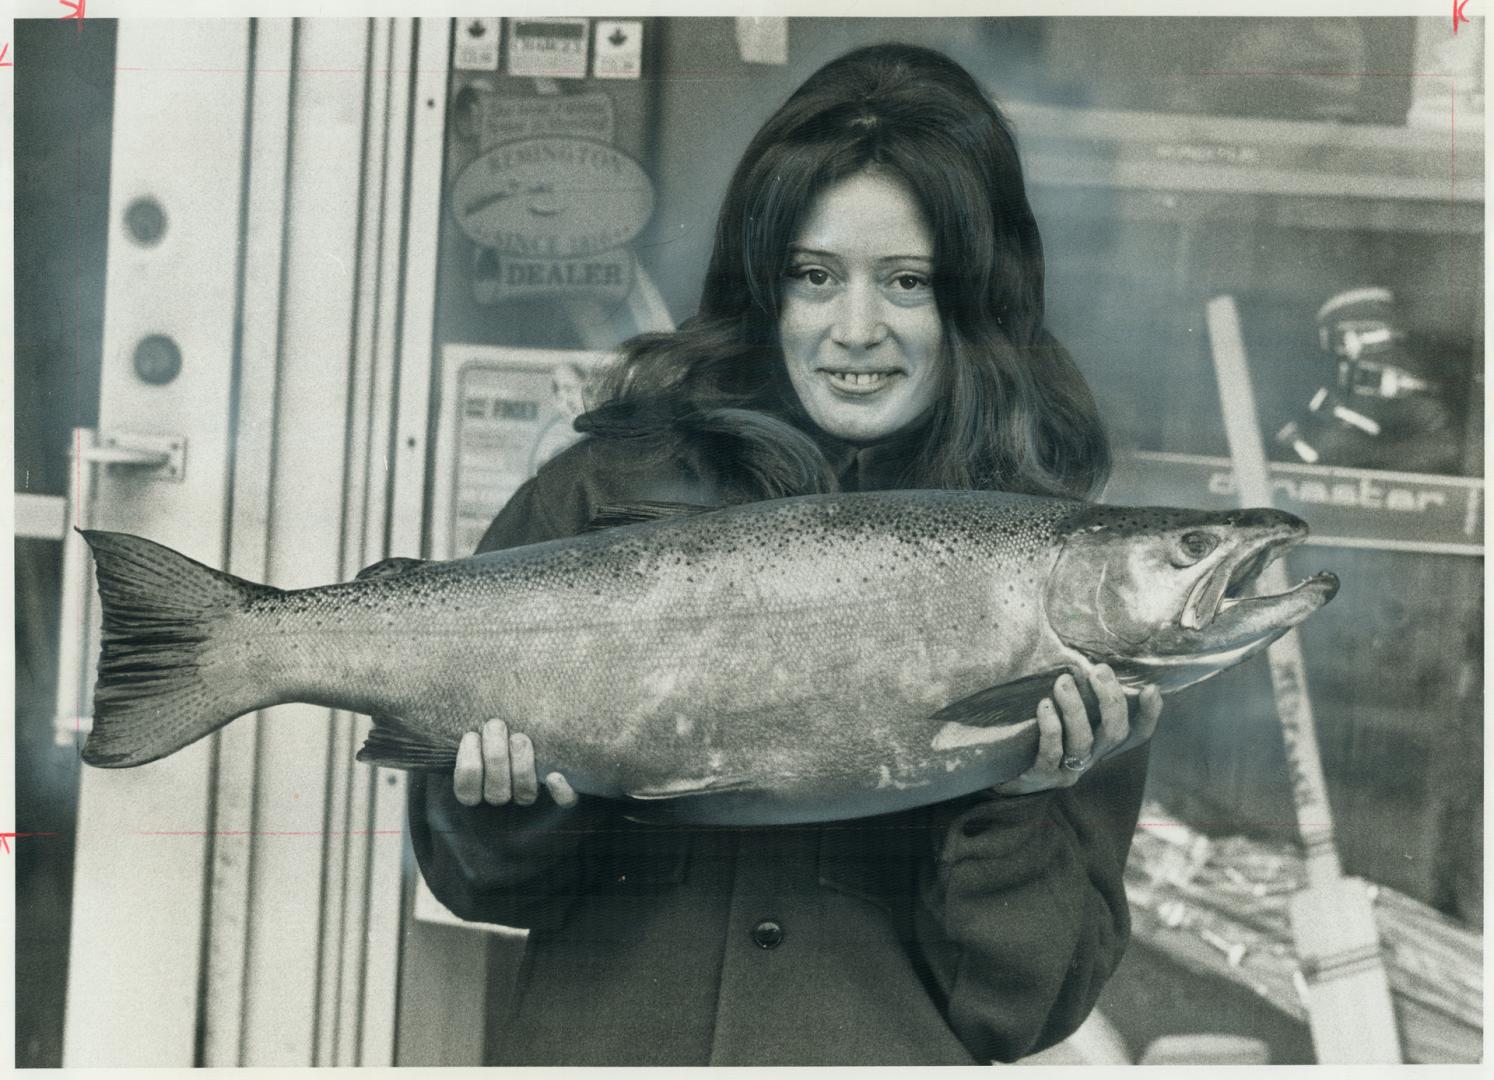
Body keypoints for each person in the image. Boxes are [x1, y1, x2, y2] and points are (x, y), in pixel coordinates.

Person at [409, 43, 1161, 1066]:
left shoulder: (1060, 590)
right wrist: (504, 807)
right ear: (766, 289)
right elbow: (478, 885)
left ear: (974, 303)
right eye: (816, 276)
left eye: (907, 281)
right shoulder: (595, 493)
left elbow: (1017, 1012)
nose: (857, 328)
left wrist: (1018, 803)